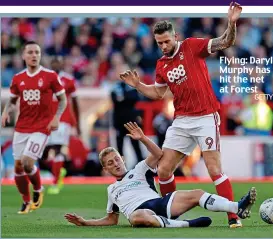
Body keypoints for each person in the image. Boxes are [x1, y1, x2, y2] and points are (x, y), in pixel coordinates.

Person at [119, 3, 243, 228]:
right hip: (182, 120)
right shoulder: (161, 64)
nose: (164, 46)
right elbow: (158, 92)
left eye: (167, 41)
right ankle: (170, 215)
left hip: (205, 117)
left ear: (175, 36)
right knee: (163, 169)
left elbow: (225, 41)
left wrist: (231, 22)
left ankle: (233, 216)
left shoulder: (192, 46)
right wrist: (138, 84)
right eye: (159, 43)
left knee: (214, 169)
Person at [64, 122, 256, 228]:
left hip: (161, 204)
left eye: (116, 159)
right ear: (105, 169)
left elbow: (158, 155)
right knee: (138, 216)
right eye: (110, 163)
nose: (115, 164)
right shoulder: (111, 190)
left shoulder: (139, 169)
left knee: (197, 193)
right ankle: (186, 225)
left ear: (122, 158)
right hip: (141, 213)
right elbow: (111, 219)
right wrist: (84, 222)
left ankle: (237, 206)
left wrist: (143, 138)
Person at [1, 41, 67, 214]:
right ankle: (26, 200)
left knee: (27, 162)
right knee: (18, 167)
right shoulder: (18, 78)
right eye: (30, 52)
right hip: (22, 127)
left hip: (41, 127)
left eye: (37, 52)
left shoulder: (50, 76)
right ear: (23, 56)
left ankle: (38, 189)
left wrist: (57, 117)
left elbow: (63, 99)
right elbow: (13, 99)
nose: (34, 55)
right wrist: (5, 112)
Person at [40, 57, 81, 195]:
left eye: (58, 62)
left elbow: (75, 102)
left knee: (57, 149)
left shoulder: (68, 80)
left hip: (62, 120)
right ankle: (59, 170)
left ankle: (56, 182)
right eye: (53, 62)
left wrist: (77, 123)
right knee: (44, 152)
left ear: (62, 64)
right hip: (47, 120)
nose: (55, 64)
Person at [111, 80, 144, 163]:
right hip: (119, 122)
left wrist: (122, 97)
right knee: (119, 148)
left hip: (131, 122)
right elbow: (114, 99)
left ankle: (142, 166)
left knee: (136, 146)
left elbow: (135, 98)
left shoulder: (131, 88)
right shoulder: (115, 87)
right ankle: (121, 167)